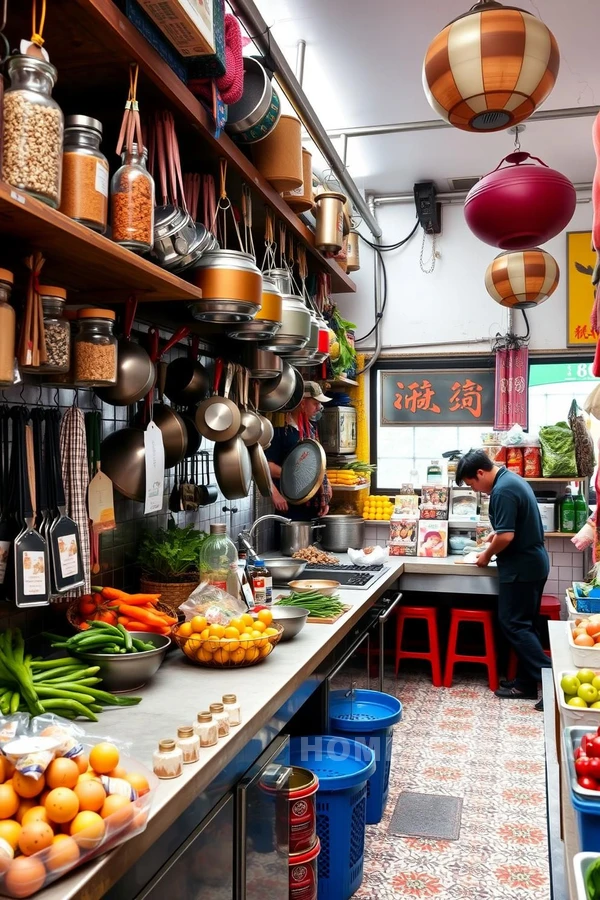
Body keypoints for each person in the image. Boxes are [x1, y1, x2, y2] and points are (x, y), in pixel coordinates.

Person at [455, 449, 551, 710]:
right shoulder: (511, 479)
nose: (475, 490)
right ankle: (526, 684)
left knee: (514, 624)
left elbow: (507, 537)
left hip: (522, 568)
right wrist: (494, 536)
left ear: (480, 473)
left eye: (472, 483)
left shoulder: (502, 490)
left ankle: (552, 681)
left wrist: (486, 554)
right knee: (525, 626)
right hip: (532, 564)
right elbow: (510, 529)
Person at [265, 381, 333, 521]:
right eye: (315, 403)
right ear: (302, 403)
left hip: (312, 507)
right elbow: (266, 466)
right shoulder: (281, 430)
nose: (319, 407)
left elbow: (317, 465)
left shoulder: (311, 428)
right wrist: (275, 492)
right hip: (290, 507)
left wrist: (324, 491)